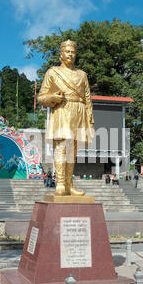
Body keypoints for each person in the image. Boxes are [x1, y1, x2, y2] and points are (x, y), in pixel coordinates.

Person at [37, 39, 94, 196]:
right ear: (61, 54)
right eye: (67, 52)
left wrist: (90, 119)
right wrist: (53, 97)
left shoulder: (82, 75)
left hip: (79, 112)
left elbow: (88, 99)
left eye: (73, 52)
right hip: (62, 110)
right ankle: (60, 183)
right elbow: (41, 97)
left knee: (72, 152)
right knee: (61, 148)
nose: (70, 54)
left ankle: (69, 184)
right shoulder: (53, 72)